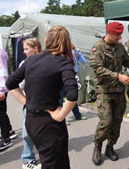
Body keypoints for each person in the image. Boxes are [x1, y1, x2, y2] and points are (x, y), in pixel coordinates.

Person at [6, 26, 78, 169]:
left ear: (46, 41)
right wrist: (61, 115)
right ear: (67, 43)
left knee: (53, 160)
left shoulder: (31, 60)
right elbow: (72, 94)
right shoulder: (63, 62)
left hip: (31, 121)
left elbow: (10, 83)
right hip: (49, 123)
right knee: (55, 163)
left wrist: (26, 103)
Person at [89, 21, 129, 166]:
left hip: (119, 91)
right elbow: (98, 69)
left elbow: (127, 61)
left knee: (116, 121)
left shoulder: (120, 47)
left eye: (121, 35)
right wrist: (118, 76)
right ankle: (97, 146)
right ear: (109, 33)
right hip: (104, 92)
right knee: (106, 121)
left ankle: (110, 147)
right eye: (117, 35)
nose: (120, 38)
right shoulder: (98, 47)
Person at [15, 38, 42, 169]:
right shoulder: (23, 64)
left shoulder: (46, 61)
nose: (24, 52)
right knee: (27, 132)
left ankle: (45, 155)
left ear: (36, 48)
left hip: (45, 103)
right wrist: (24, 101)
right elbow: (16, 84)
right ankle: (27, 160)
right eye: (24, 49)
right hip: (31, 104)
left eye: (26, 49)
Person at [60, 44, 87, 125]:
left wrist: (78, 54)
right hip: (61, 76)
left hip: (72, 75)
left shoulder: (75, 51)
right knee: (60, 98)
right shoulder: (60, 52)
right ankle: (62, 118)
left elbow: (84, 61)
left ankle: (77, 115)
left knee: (72, 96)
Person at [0, 48, 14, 152]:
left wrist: (1, 90)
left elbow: (3, 71)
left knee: (1, 113)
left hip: (1, 89)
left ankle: (6, 139)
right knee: (2, 112)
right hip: (2, 88)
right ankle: (9, 132)